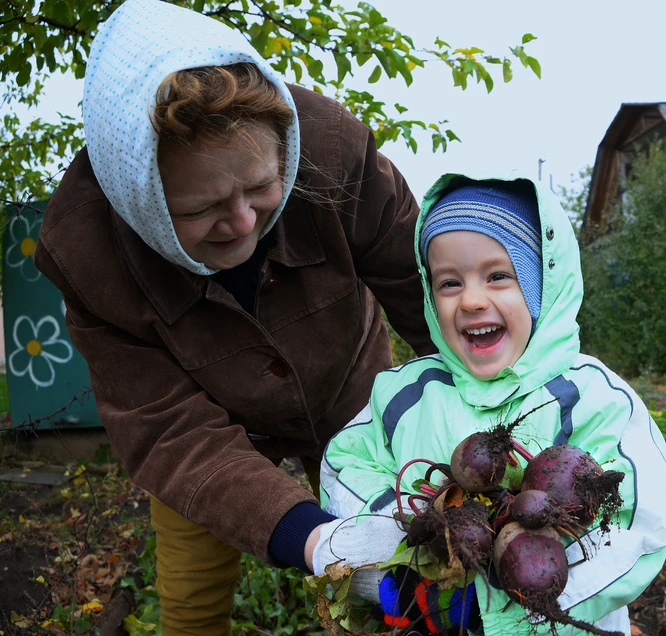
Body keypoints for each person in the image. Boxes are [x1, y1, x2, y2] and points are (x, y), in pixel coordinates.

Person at [32, 0, 435, 633]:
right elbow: (166, 429)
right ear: (142, 197)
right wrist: (307, 536)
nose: (245, 222)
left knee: (406, 592)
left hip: (350, 396)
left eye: (259, 187)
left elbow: (429, 292)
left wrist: (514, 399)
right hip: (204, 433)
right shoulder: (90, 255)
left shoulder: (332, 150)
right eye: (204, 208)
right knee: (191, 606)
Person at [313, 174, 666, 635]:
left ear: (544, 284)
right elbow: (345, 463)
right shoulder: (405, 391)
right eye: (448, 283)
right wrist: (407, 558)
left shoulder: (597, 399)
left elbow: (636, 528)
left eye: (498, 276)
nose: (471, 300)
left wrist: (493, 613)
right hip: (422, 618)